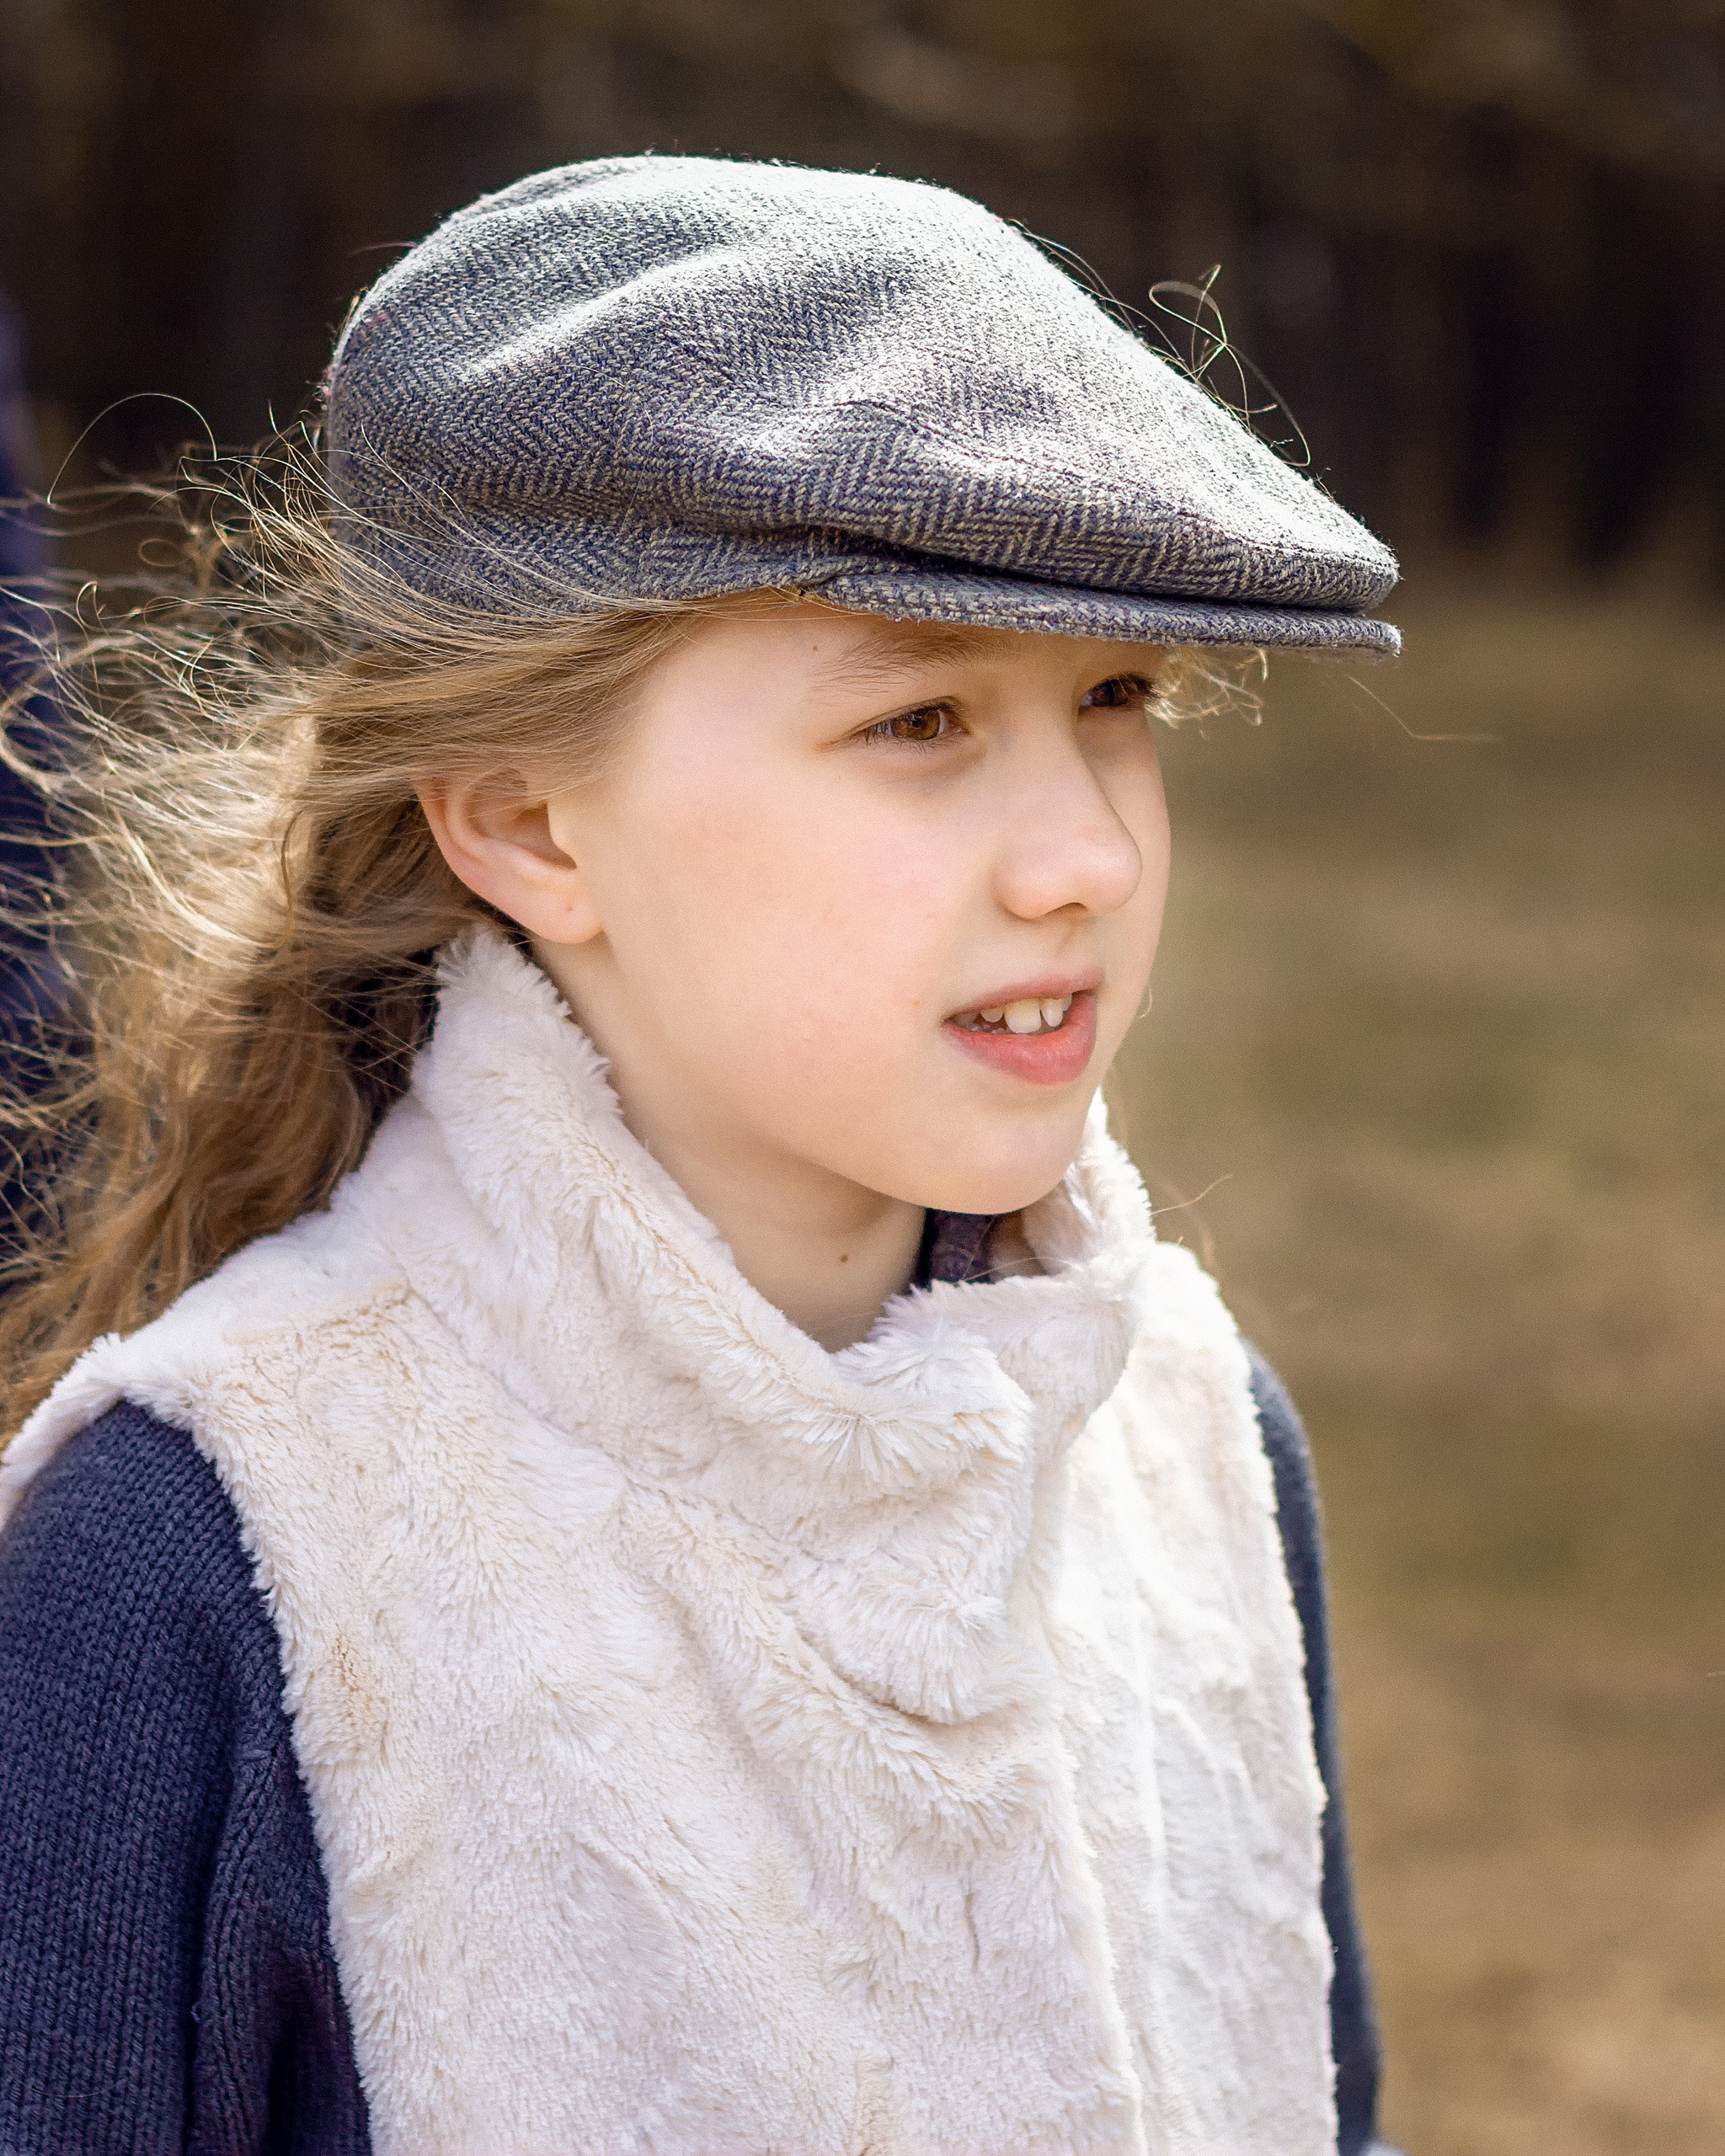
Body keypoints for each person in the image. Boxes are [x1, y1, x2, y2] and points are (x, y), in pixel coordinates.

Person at [0, 157, 1403, 2155]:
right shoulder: (192, 1562)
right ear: (529, 824)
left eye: (1114, 699)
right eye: (917, 721)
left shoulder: (1189, 1433)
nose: (1086, 850)